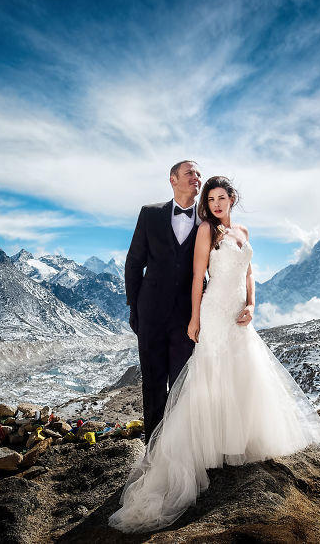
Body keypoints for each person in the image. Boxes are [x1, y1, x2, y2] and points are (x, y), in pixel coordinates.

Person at [110, 176, 320, 534]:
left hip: (239, 314)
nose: (216, 204)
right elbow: (197, 277)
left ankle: (237, 442)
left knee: (243, 374)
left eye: (221, 198)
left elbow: (249, 273)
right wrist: (195, 318)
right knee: (211, 375)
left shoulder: (243, 231)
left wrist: (252, 304)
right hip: (215, 311)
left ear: (233, 199)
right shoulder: (206, 230)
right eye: (210, 199)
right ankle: (208, 449)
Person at [125, 160, 203, 443]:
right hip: (151, 314)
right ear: (173, 179)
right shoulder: (150, 214)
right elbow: (134, 262)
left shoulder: (207, 220)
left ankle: (179, 448)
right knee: (153, 382)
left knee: (183, 383)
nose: (196, 177)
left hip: (187, 318)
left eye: (198, 173)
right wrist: (134, 308)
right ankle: (154, 448)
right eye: (190, 173)